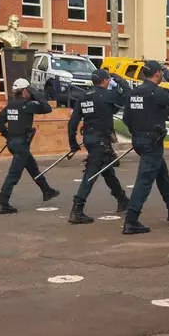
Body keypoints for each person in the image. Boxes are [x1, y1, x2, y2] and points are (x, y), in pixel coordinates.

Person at [121, 60, 169, 234]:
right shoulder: (155, 92)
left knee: (161, 173)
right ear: (158, 73)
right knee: (144, 181)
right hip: (152, 141)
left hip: (139, 140)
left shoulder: (134, 92)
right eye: (162, 73)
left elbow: (126, 119)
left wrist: (137, 133)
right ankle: (131, 219)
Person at [67, 69, 132, 225]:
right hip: (101, 140)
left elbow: (73, 122)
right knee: (92, 172)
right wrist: (121, 80)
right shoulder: (106, 95)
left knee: (107, 169)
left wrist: (73, 143)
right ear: (104, 81)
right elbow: (128, 96)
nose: (109, 82)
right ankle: (77, 208)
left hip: (89, 138)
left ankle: (122, 199)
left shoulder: (83, 97)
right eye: (108, 80)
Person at [0, 78, 60, 214]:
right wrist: (36, 94)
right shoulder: (27, 105)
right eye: (28, 90)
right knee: (14, 174)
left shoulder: (10, 105)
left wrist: (8, 135)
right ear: (24, 91)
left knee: (32, 167)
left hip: (13, 143)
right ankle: (3, 203)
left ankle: (46, 190)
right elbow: (47, 108)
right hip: (21, 144)